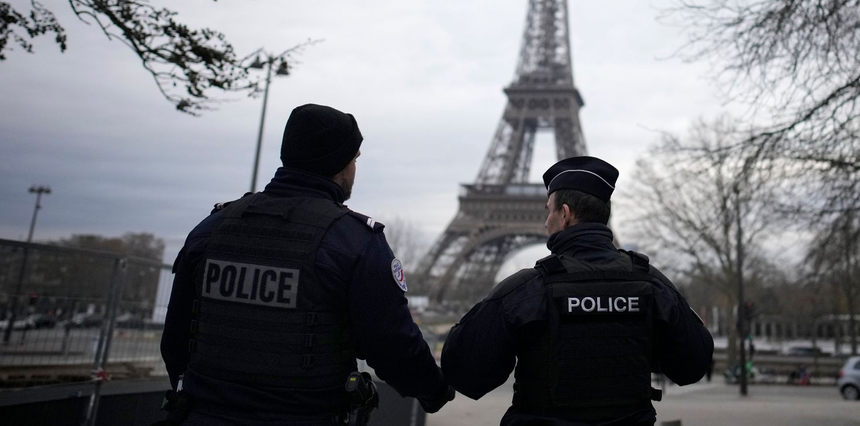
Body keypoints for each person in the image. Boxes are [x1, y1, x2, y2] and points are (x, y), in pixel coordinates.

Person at [159, 103, 454, 425]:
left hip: (203, 414)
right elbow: (392, 345)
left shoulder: (212, 228)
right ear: (341, 163)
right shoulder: (354, 242)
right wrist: (435, 390)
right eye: (354, 159)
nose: (354, 168)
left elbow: (176, 337)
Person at [441, 155, 714, 426]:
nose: (545, 222)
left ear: (565, 214)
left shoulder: (526, 291)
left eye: (548, 211)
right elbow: (693, 364)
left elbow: (464, 371)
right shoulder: (653, 285)